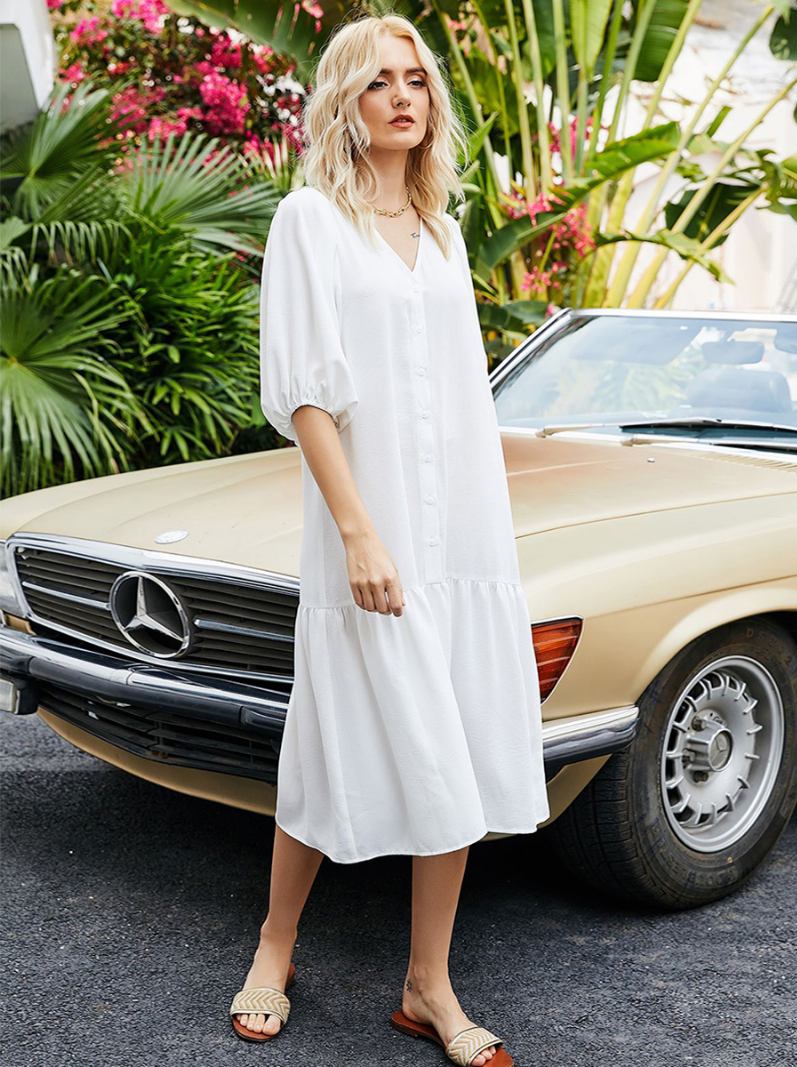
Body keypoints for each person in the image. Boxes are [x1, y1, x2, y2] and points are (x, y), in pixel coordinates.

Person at [228, 13, 550, 1067]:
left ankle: (427, 983)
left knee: (448, 738)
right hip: (366, 533)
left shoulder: (444, 231)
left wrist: (487, 528)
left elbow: (454, 395)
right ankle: (274, 946)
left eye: (416, 79)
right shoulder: (309, 225)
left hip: (460, 531)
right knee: (330, 738)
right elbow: (306, 399)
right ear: (344, 101)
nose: (403, 96)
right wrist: (359, 532)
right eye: (379, 82)